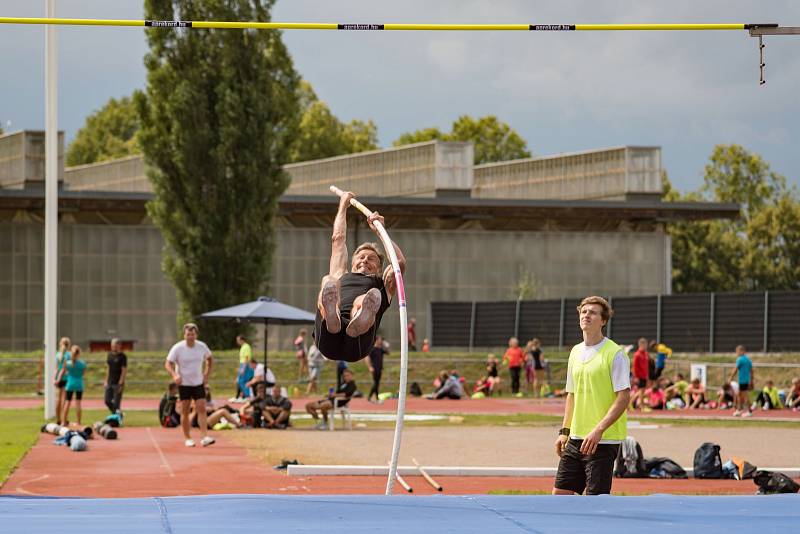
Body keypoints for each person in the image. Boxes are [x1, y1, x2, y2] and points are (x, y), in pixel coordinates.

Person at [315, 190, 406, 363]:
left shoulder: (382, 284)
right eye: (361, 257)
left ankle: (359, 318)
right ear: (353, 262)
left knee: (366, 298)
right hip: (327, 338)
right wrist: (343, 205)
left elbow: (398, 263)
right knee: (329, 280)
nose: (365, 260)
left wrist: (381, 233)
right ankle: (332, 317)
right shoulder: (340, 275)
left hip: (357, 345)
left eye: (371, 259)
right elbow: (338, 239)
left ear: (379, 268)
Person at [553, 296, 630, 496]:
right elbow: (571, 395)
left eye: (593, 312)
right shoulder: (575, 352)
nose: (587, 315)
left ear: (603, 321)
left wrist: (599, 430)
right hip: (576, 437)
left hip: (603, 440)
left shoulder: (615, 353)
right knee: (560, 495)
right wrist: (564, 431)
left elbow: (623, 397)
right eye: (584, 311)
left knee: (594, 503)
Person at [165, 323, 215, 447]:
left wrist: (206, 375)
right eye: (188, 334)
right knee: (185, 411)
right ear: (184, 335)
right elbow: (168, 363)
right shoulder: (178, 348)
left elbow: (210, 359)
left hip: (198, 382)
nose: (190, 337)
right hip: (184, 384)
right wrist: (174, 375)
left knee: (201, 408)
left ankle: (204, 437)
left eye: (192, 334)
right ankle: (187, 438)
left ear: (196, 335)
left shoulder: (202, 346)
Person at [62, 345, 87, 427]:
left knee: (67, 402)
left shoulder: (68, 363)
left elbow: (65, 372)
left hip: (70, 384)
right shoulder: (83, 363)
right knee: (78, 403)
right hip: (79, 384)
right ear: (79, 353)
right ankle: (79, 422)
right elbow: (83, 374)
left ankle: (63, 421)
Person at [103, 338, 127, 415]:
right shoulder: (109, 355)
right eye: (112, 345)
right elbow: (108, 368)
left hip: (118, 382)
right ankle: (118, 414)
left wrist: (121, 382)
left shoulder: (123, 356)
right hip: (110, 381)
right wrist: (106, 381)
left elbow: (124, 370)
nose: (113, 347)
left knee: (116, 403)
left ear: (119, 346)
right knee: (107, 400)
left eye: (115, 345)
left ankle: (116, 418)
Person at [729, 345, 753, 417]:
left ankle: (749, 411)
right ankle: (739, 409)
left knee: (745, 396)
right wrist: (751, 380)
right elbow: (751, 371)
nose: (737, 353)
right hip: (747, 380)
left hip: (742, 380)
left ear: (742, 351)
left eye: (737, 351)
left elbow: (735, 369)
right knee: (739, 395)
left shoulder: (740, 359)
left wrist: (730, 377)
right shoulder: (748, 360)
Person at [53, 336, 71, 425]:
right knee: (65, 400)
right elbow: (65, 369)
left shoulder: (57, 355)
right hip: (66, 378)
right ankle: (64, 419)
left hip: (58, 379)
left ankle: (58, 419)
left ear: (60, 344)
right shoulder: (69, 355)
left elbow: (56, 369)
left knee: (58, 399)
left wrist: (55, 378)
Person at [366, 335, 388, 403]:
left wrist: (386, 346)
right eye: (380, 339)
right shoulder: (372, 349)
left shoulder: (380, 349)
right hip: (374, 368)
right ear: (376, 340)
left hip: (379, 368)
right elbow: (367, 358)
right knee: (376, 383)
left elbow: (388, 353)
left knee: (377, 383)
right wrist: (370, 367)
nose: (381, 341)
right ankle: (372, 397)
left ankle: (374, 397)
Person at [631, 338, 650, 410]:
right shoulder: (637, 354)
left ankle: (630, 404)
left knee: (641, 391)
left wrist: (647, 376)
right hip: (639, 376)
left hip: (644, 376)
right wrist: (636, 377)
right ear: (641, 345)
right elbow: (634, 367)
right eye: (645, 345)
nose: (646, 346)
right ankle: (641, 406)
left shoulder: (645, 354)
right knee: (641, 392)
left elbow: (646, 366)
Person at [234, 335, 253, 400]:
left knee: (241, 381)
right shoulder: (243, 347)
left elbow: (247, 357)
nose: (237, 342)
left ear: (242, 340)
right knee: (239, 381)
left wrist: (243, 369)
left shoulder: (246, 347)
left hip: (246, 365)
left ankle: (247, 396)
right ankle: (241, 396)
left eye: (238, 340)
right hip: (243, 364)